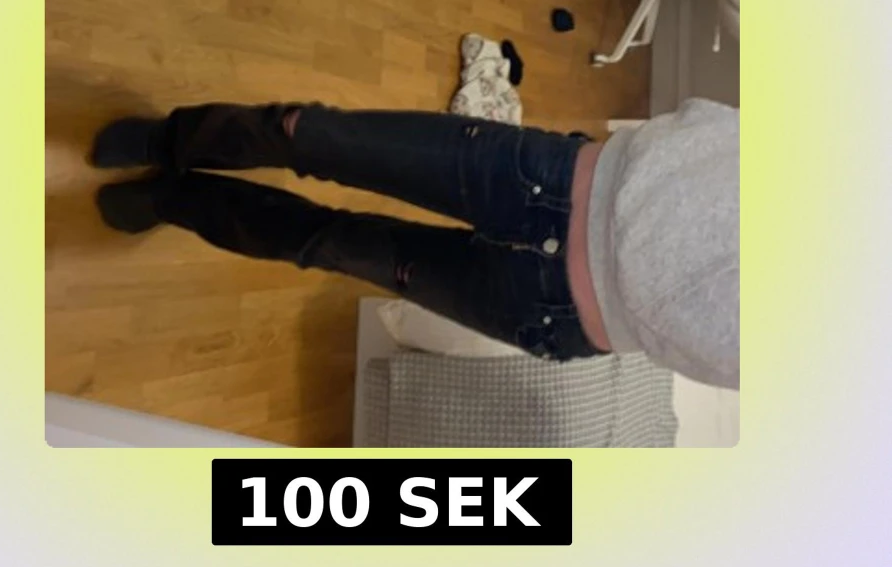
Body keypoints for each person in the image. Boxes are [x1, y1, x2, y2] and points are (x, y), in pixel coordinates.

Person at [92, 98, 738, 389]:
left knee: (327, 242)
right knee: (311, 136)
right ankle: (169, 140)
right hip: (551, 176)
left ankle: (173, 201)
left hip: (546, 312)